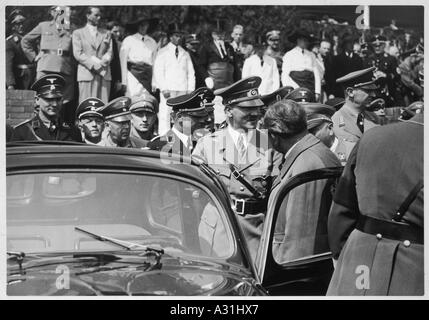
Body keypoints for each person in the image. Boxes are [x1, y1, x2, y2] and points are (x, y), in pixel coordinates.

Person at [327, 110, 423, 295]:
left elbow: (341, 211)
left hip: (358, 262)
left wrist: (345, 262)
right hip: (414, 272)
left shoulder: (372, 137)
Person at [192, 76, 282, 260]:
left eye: (257, 108)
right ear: (229, 111)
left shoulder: (270, 144)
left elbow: (277, 191)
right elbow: (195, 195)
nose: (255, 114)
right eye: (247, 109)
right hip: (218, 227)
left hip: (256, 229)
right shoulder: (208, 144)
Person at [264, 100, 341, 263]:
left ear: (274, 135)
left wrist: (288, 279)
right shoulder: (306, 155)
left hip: (294, 272)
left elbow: (300, 240)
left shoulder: (308, 164)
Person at [21, 6, 76, 122]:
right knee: (42, 97)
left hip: (64, 68)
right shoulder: (44, 26)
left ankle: (60, 127)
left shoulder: (71, 29)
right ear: (52, 13)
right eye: (60, 11)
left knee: (63, 100)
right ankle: (38, 126)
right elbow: (25, 40)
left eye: (66, 12)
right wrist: (34, 57)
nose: (64, 14)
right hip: (45, 66)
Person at [11, 74, 82, 142]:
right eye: (48, 99)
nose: (54, 104)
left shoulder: (73, 132)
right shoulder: (23, 131)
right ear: (37, 100)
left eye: (58, 99)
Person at [153, 23, 195, 136]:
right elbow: (158, 71)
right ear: (170, 37)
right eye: (176, 35)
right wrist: (163, 88)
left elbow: (190, 72)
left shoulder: (185, 53)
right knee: (166, 113)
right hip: (168, 89)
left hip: (182, 88)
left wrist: (190, 89)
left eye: (180, 36)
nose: (178, 38)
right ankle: (163, 136)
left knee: (182, 113)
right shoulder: (163, 52)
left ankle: (184, 136)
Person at [331, 67, 381, 159]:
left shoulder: (374, 117)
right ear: (350, 92)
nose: (373, 95)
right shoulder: (336, 121)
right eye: (368, 91)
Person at [148, 87, 210, 157]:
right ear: (180, 117)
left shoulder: (200, 143)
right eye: (197, 117)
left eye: (202, 116)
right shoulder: (159, 144)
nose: (202, 121)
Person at [72, 6, 113, 104]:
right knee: (86, 105)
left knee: (103, 105)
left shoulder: (106, 33)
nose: (99, 18)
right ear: (88, 15)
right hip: (87, 73)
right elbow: (78, 54)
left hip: (104, 73)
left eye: (100, 16)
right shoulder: (78, 33)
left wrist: (104, 61)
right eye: (96, 15)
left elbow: (110, 52)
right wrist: (95, 65)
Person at [120, 17, 158, 97]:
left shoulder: (152, 42)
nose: (143, 27)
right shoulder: (129, 40)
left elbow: (155, 63)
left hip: (147, 76)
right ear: (137, 26)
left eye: (145, 25)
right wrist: (124, 81)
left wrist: (154, 81)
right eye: (141, 25)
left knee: (146, 99)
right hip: (132, 75)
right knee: (132, 98)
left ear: (148, 26)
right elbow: (123, 62)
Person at [281, 29, 321, 101]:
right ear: (298, 40)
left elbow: (316, 74)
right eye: (304, 40)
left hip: (310, 86)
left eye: (307, 40)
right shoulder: (289, 54)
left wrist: (317, 91)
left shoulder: (311, 55)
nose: (306, 42)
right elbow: (285, 74)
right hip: (295, 85)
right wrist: (291, 90)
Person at [363, 35, 400, 107]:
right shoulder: (367, 60)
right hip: (372, 94)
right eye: (375, 46)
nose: (377, 47)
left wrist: (386, 76)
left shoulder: (391, 59)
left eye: (380, 45)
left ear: (384, 45)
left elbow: (397, 76)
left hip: (388, 93)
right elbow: (363, 78)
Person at [6, 10, 35, 90]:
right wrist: (10, 84)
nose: (21, 26)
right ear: (13, 27)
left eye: (23, 23)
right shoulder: (10, 42)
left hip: (33, 78)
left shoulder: (31, 40)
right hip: (20, 79)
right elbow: (8, 66)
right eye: (17, 24)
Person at [106, 21, 125, 100]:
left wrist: (119, 80)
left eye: (119, 32)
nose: (118, 34)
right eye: (115, 32)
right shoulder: (104, 43)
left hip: (116, 77)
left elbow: (120, 64)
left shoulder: (121, 45)